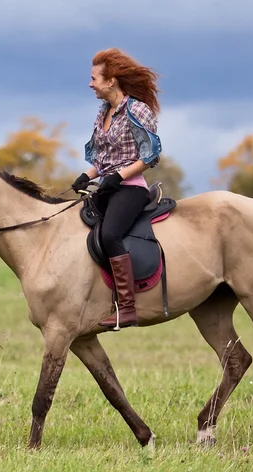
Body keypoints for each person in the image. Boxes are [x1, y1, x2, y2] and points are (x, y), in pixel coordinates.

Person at [71, 48, 162, 331]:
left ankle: (127, 307)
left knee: (110, 234)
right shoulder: (103, 113)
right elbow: (101, 160)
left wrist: (119, 176)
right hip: (107, 187)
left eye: (94, 78)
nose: (90, 83)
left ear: (111, 81)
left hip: (131, 188)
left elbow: (150, 156)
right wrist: (85, 176)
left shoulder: (137, 111)